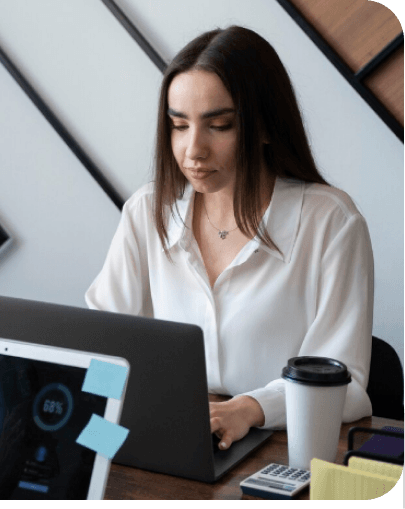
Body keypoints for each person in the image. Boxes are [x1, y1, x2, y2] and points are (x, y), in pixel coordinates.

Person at [86, 26, 373, 450]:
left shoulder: (330, 222)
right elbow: (101, 346)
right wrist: (98, 443)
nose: (192, 150)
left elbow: (344, 382)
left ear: (266, 127)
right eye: (179, 126)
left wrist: (248, 408)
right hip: (170, 437)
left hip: (278, 446)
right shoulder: (147, 211)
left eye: (218, 125)